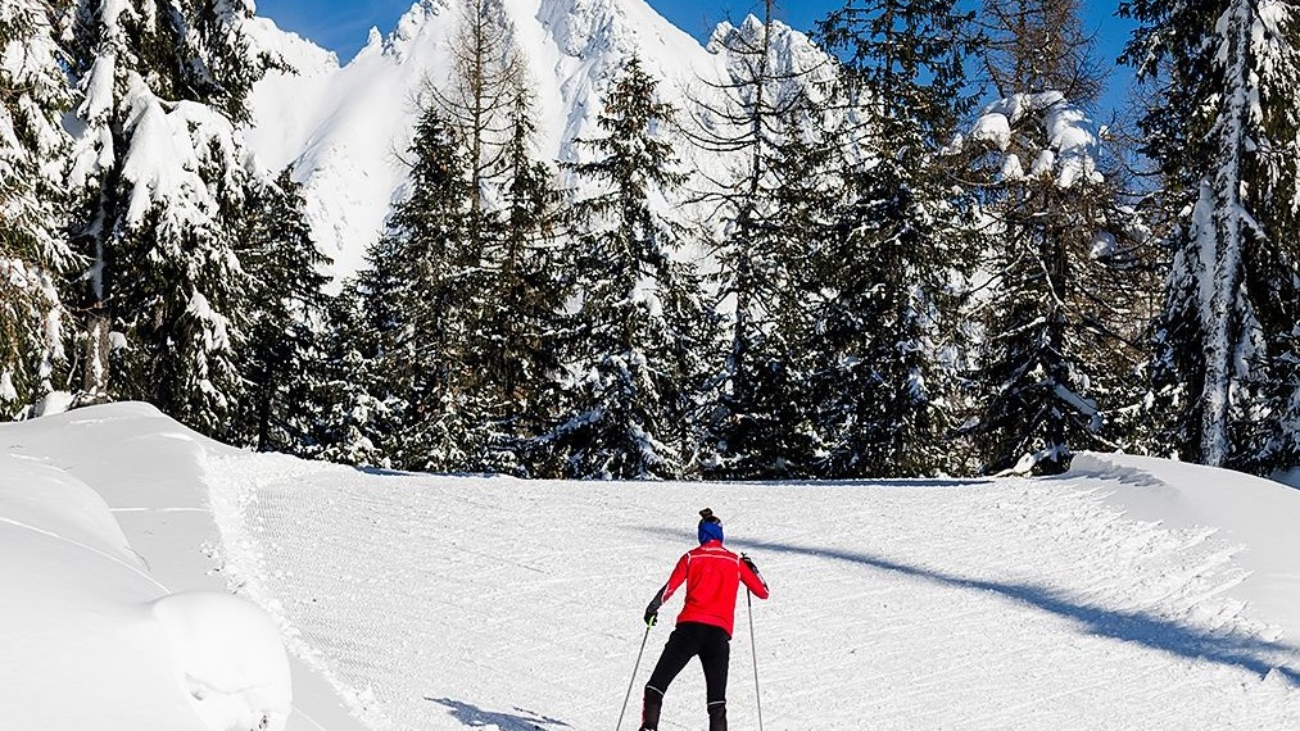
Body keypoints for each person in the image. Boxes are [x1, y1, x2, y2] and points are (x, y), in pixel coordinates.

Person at [639, 508, 769, 731]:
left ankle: (649, 728)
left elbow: (670, 588)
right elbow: (763, 592)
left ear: (701, 535)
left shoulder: (691, 557)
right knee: (716, 702)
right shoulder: (735, 561)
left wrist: (653, 608)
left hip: (688, 631)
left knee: (656, 687)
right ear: (720, 535)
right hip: (718, 636)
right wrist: (752, 567)